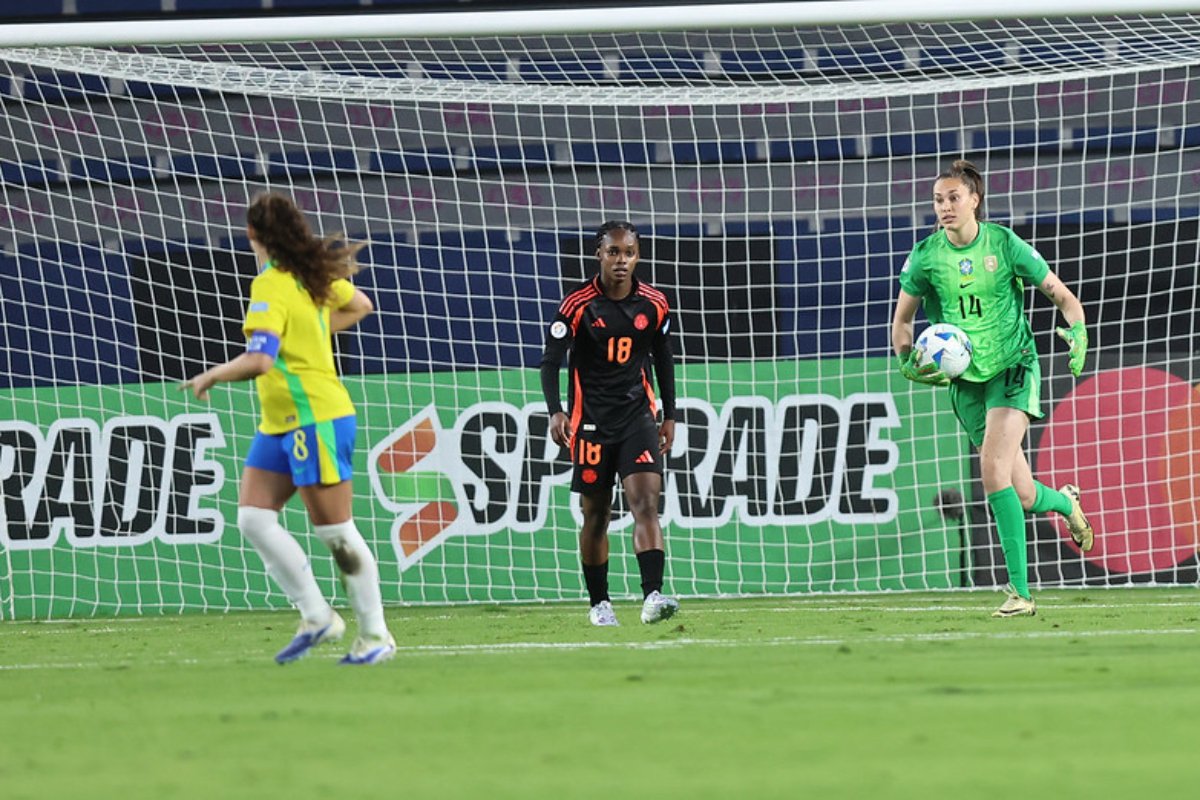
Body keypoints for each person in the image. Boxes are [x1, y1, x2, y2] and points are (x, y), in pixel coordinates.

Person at [182, 191, 395, 664]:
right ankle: (317, 614)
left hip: (315, 416)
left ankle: (376, 634)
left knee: (336, 532)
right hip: (279, 422)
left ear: (252, 235)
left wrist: (212, 374)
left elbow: (260, 360)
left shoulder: (272, 285)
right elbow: (361, 304)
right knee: (254, 518)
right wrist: (313, 332)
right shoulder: (311, 275)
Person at [891, 159, 1095, 618]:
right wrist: (907, 361)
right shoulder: (925, 256)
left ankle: (1020, 593)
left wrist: (1078, 334)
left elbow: (1063, 296)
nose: (944, 207)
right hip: (964, 380)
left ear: (974, 200)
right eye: (938, 200)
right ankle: (1067, 502)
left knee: (990, 468)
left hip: (1012, 365)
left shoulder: (1003, 244)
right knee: (1021, 493)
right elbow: (902, 321)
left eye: (953, 198)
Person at [540, 220, 680, 626]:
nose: (622, 260)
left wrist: (669, 415)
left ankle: (653, 596)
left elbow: (664, 359)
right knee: (597, 515)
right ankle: (599, 604)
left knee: (646, 505)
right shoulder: (577, 305)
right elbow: (550, 362)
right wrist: (556, 410)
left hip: (638, 417)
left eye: (629, 252)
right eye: (614, 252)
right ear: (598, 254)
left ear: (638, 256)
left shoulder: (654, 303)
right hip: (590, 424)